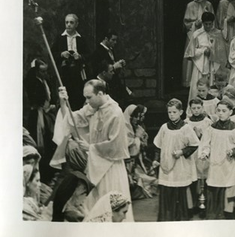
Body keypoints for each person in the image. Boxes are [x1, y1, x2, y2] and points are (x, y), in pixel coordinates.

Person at [58, 79, 134, 221]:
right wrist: (63, 101)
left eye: (89, 97)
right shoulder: (92, 107)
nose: (87, 102)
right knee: (94, 204)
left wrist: (90, 147)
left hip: (111, 168)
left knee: (112, 205)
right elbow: (72, 119)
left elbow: (115, 145)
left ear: (100, 93)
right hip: (95, 164)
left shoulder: (116, 113)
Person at [198, 100, 235, 219]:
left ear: (230, 112)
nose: (221, 113)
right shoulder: (211, 129)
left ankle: (230, 214)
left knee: (230, 188)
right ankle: (217, 215)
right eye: (218, 110)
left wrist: (234, 151)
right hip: (216, 165)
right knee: (215, 187)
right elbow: (205, 144)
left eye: (224, 111)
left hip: (230, 165)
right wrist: (205, 152)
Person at [152, 99, 200, 221]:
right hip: (166, 165)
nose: (172, 114)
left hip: (181, 165)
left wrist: (182, 152)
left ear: (181, 112)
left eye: (174, 112)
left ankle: (180, 218)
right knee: (167, 190)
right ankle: (167, 217)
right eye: (169, 112)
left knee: (180, 191)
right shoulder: (164, 128)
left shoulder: (186, 128)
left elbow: (194, 144)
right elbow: (158, 145)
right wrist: (156, 159)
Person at [184, 11, 229, 103]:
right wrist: (203, 51)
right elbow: (191, 52)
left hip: (213, 64)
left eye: (210, 24)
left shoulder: (218, 34)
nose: (208, 26)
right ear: (202, 23)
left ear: (213, 23)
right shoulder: (197, 34)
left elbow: (222, 51)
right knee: (198, 86)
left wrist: (214, 52)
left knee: (212, 86)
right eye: (206, 24)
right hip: (200, 65)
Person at [25, 59, 57, 182]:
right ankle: (42, 173)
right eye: (42, 71)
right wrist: (45, 107)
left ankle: (49, 171)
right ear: (36, 71)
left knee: (50, 140)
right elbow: (36, 99)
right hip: (38, 115)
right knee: (40, 142)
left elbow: (50, 96)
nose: (45, 73)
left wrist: (51, 105)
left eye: (46, 71)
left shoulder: (46, 81)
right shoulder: (33, 82)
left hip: (48, 115)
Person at [50, 13, 89, 110]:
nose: (68, 25)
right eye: (66, 22)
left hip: (77, 74)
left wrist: (79, 56)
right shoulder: (60, 38)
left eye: (71, 22)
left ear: (76, 24)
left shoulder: (81, 39)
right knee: (65, 99)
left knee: (77, 99)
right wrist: (61, 54)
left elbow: (89, 55)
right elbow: (51, 54)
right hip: (64, 74)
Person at [182, 0, 215, 88]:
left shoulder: (208, 4)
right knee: (194, 53)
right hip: (194, 34)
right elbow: (186, 23)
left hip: (207, 33)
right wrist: (193, 24)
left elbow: (212, 20)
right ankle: (190, 81)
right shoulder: (190, 5)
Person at [185, 98, 213, 214]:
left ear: (202, 108)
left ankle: (204, 204)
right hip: (191, 154)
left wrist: (200, 136)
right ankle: (193, 204)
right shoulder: (186, 122)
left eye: (198, 108)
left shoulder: (207, 122)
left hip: (203, 152)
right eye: (193, 108)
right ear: (190, 109)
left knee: (203, 179)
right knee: (193, 178)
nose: (196, 111)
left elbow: (210, 138)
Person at [90, 29, 131, 109]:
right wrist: (114, 66)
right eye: (113, 40)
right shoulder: (98, 52)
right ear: (106, 39)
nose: (115, 42)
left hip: (115, 83)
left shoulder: (110, 50)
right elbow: (98, 70)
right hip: (107, 85)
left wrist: (119, 64)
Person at [124, 104, 157, 200]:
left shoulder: (137, 126)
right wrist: (137, 138)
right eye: (136, 116)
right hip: (127, 162)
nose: (138, 119)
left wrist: (142, 139)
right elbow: (131, 149)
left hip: (137, 161)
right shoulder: (124, 128)